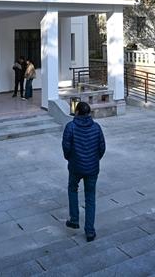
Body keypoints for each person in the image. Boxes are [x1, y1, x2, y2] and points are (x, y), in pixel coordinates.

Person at [62, 101, 105, 242]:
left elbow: (66, 148)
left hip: (75, 167)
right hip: (92, 168)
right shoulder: (96, 127)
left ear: (77, 112)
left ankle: (74, 219)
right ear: (89, 113)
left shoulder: (71, 127)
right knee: (90, 197)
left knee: (72, 189)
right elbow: (102, 148)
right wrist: (94, 159)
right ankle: (90, 231)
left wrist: (71, 159)